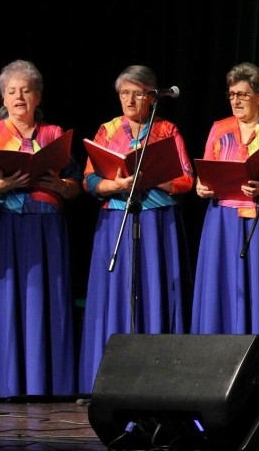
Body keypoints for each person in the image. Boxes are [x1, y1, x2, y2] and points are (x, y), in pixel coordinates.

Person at [0, 59, 81, 398]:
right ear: (3, 96)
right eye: (12, 91)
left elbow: (76, 184)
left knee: (44, 301)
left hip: (46, 225)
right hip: (0, 224)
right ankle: (0, 385)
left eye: (25, 91)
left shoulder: (53, 134)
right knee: (2, 305)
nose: (18, 97)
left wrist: (61, 187)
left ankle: (47, 385)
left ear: (38, 97)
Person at [78, 65, 195, 395]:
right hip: (118, 216)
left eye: (138, 93)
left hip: (159, 220)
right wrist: (112, 184)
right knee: (118, 293)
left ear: (152, 96)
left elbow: (187, 179)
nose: (130, 99)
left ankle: (160, 375)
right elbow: (89, 179)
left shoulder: (167, 130)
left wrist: (156, 178)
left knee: (158, 288)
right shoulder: (108, 129)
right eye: (124, 93)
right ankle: (112, 375)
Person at [191, 63, 259, 358]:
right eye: (231, 95)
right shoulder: (220, 128)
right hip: (222, 220)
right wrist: (201, 186)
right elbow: (206, 172)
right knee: (222, 289)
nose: (236, 101)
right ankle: (215, 358)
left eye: (243, 94)